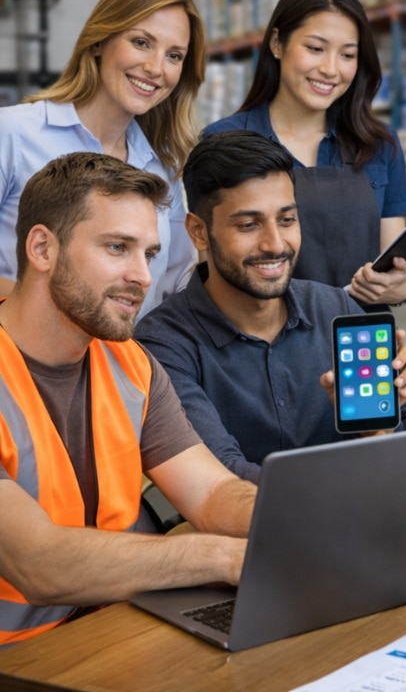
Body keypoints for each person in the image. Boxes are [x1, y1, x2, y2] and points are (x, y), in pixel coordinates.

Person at [0, 151, 256, 648]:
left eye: (149, 254)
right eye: (118, 247)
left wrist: (290, 519)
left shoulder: (130, 364)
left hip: (106, 637)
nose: (143, 277)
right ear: (42, 248)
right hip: (17, 661)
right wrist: (223, 558)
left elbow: (211, 494)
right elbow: (38, 564)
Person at [135, 130, 406, 483]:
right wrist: (370, 465)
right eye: (249, 225)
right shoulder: (163, 345)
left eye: (287, 220)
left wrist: (380, 433)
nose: (275, 244)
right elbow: (224, 478)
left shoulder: (336, 308)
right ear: (199, 232)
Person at [202, 0, 406, 309]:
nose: (330, 70)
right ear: (277, 44)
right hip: (261, 335)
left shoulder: (378, 144)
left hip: (360, 334)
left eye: (347, 55)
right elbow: (210, 267)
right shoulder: (224, 142)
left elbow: (398, 270)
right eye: (315, 49)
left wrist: (402, 290)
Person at [0, 0, 206, 317]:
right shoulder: (13, 133)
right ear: (98, 42)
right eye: (141, 42)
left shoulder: (161, 167)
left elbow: (174, 283)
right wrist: (63, 317)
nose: (155, 68)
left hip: (129, 350)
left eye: (174, 55)